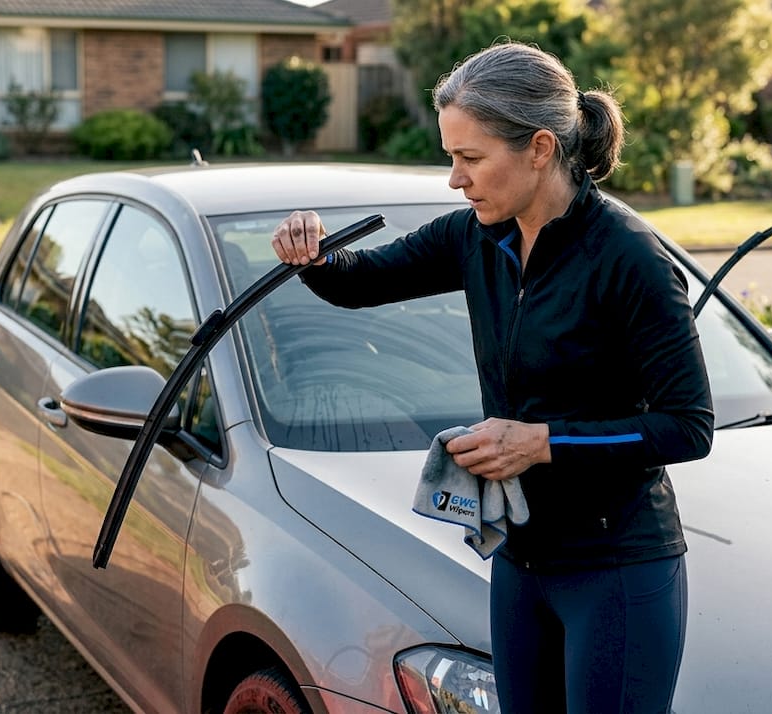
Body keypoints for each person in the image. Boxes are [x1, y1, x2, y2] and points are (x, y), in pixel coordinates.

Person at [271, 40, 714, 714]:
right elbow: (359, 283)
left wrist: (541, 443)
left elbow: (689, 426)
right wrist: (313, 253)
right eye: (452, 157)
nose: (456, 178)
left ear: (539, 149)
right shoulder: (479, 236)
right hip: (521, 563)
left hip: (617, 569)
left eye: (470, 158)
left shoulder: (630, 259)